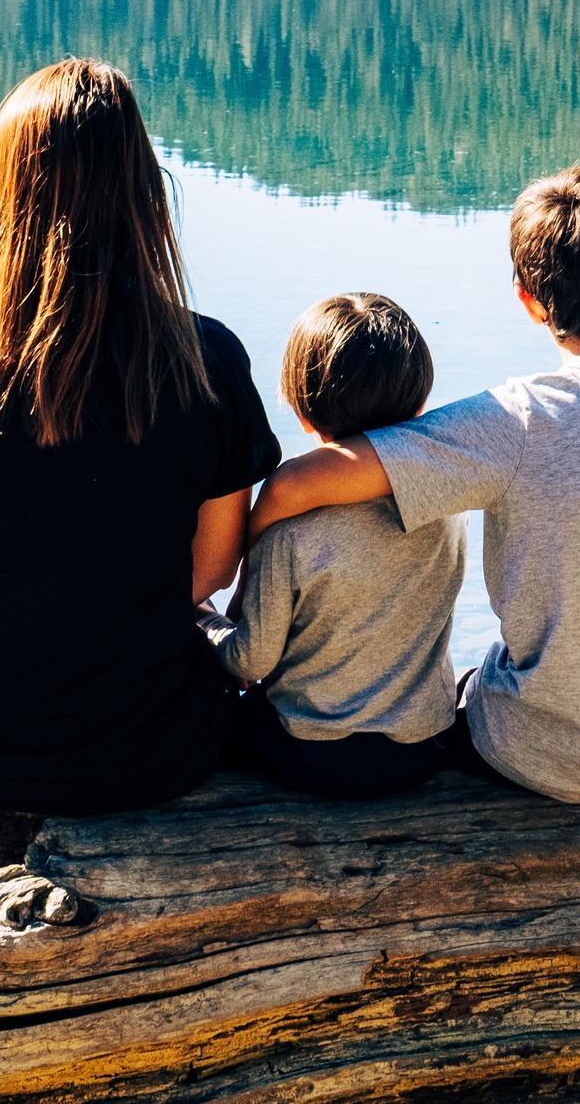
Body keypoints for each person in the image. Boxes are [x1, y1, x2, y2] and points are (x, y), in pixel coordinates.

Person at [247, 166, 580, 805]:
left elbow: (306, 480)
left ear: (529, 301)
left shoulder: (513, 420)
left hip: (543, 757)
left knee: (469, 692)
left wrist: (260, 533)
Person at [0, 59, 280, 813]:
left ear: (4, 191)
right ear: (142, 191)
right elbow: (211, 570)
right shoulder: (206, 359)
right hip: (156, 751)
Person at [202, 293, 464, 799]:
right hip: (423, 748)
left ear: (301, 409)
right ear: (419, 403)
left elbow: (248, 663)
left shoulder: (290, 533)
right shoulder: (444, 508)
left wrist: (205, 619)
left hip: (312, 755)